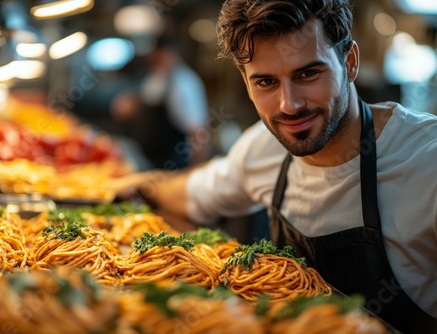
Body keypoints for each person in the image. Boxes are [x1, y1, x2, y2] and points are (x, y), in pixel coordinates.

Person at [106, 0, 437, 332]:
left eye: (308, 74)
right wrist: (141, 182)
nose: (289, 105)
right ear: (246, 81)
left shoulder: (426, 162)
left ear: (349, 62)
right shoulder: (264, 148)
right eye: (265, 82)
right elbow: (193, 194)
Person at [110, 36, 213, 170]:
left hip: (171, 165)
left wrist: (195, 171)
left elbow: (198, 130)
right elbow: (147, 103)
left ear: (170, 53)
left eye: (157, 55)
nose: (152, 59)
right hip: (147, 162)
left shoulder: (184, 83)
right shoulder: (156, 76)